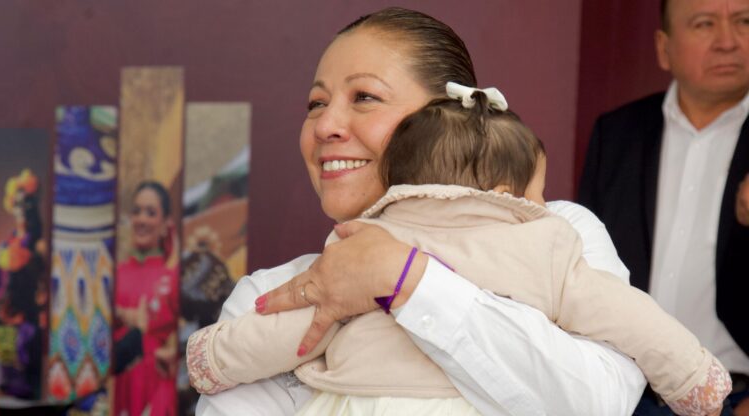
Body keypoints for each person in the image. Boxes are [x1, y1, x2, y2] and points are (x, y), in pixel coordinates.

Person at [196, 7, 647, 416]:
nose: (327, 126)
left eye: (364, 97)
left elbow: (600, 403)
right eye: (316, 103)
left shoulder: (555, 234)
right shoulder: (270, 294)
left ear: (448, 115)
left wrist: (407, 279)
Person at [190, 85, 730, 415]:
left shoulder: (366, 244)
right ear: (503, 194)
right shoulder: (544, 240)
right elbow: (629, 317)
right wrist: (692, 378)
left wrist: (213, 359)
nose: (543, 205)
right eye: (535, 193)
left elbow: (297, 330)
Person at [578, 0, 749, 414]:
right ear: (663, 47)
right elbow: (580, 271)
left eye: (744, 21)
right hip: (623, 392)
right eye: (704, 24)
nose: (728, 42)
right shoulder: (616, 134)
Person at [113, 181, 178, 416]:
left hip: (156, 389)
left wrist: (175, 353)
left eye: (151, 213)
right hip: (115, 383)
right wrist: (118, 314)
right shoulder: (113, 274)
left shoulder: (173, 278)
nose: (141, 219)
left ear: (165, 224)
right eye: (137, 211)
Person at [0, 168, 47, 400]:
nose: (25, 209)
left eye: (30, 202)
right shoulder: (3, 248)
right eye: (20, 203)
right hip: (4, 332)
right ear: (12, 205)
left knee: (27, 396)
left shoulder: (40, 249)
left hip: (31, 334)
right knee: (5, 392)